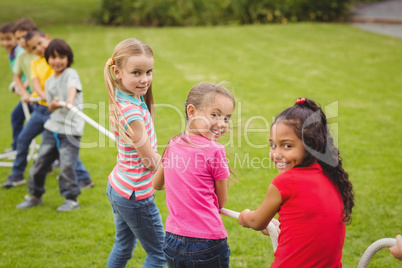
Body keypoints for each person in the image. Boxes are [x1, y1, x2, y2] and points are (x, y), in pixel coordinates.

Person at [238, 98, 354, 268]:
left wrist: (246, 216)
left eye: (286, 146)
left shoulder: (285, 182)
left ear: (311, 146)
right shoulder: (331, 177)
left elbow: (257, 222)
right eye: (273, 145)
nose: (276, 154)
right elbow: (307, 224)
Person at [152, 82, 234, 267]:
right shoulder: (216, 150)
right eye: (215, 115)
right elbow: (221, 201)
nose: (221, 124)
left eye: (227, 118)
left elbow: (156, 184)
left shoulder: (173, 143)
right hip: (207, 242)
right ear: (192, 111)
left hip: (173, 241)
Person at [2, 29, 93, 189]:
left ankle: (82, 179)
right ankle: (18, 176)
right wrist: (35, 94)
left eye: (40, 43)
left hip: (58, 113)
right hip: (42, 110)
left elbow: (70, 83)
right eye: (33, 47)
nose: (38, 48)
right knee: (25, 140)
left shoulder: (58, 64)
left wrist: (69, 99)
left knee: (64, 149)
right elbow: (35, 82)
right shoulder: (37, 63)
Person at [104, 38, 166, 268]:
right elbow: (150, 162)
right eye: (137, 72)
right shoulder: (132, 114)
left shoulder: (125, 97)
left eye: (149, 71)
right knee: (160, 254)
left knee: (123, 246)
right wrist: (176, 165)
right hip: (135, 195)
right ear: (117, 72)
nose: (145, 79)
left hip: (118, 186)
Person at [16, 39, 86, 211]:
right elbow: (49, 105)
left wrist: (69, 100)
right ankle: (35, 196)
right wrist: (53, 105)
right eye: (53, 57)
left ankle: (71, 199)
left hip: (70, 130)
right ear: (48, 59)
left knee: (67, 165)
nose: (57, 61)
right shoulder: (48, 81)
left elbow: (72, 88)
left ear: (68, 58)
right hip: (52, 127)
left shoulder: (71, 73)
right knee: (40, 163)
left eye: (61, 56)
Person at [0, 22, 27, 155]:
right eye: (2, 39)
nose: (5, 42)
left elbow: (31, 73)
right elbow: (17, 73)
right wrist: (15, 84)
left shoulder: (21, 52)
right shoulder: (13, 53)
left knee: (45, 129)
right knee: (16, 117)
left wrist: (22, 87)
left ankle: (53, 159)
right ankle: (17, 147)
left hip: (32, 94)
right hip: (26, 95)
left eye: (8, 39)